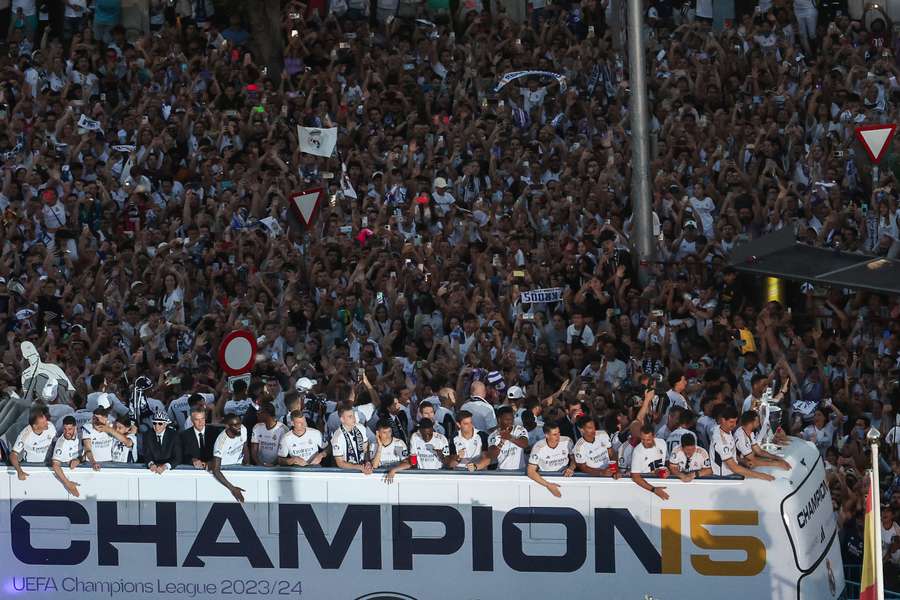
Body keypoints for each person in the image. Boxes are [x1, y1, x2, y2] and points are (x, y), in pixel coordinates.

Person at [710, 406, 775, 481]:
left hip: (733, 473)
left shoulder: (726, 429)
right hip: (725, 478)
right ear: (723, 420)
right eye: (731, 422)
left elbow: (731, 453)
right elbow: (734, 467)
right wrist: (760, 475)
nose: (734, 425)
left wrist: (743, 461)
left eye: (735, 421)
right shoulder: (720, 440)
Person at [385, 418, 450, 482]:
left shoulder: (442, 439)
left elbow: (448, 463)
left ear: (432, 430)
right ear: (420, 431)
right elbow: (413, 461)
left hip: (437, 475)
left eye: (429, 434)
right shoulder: (415, 437)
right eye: (424, 435)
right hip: (420, 474)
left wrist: (441, 455)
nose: (427, 438)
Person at [526, 423, 575, 498]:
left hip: (565, 478)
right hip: (545, 480)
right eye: (555, 434)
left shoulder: (567, 441)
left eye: (559, 433)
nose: (558, 437)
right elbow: (530, 471)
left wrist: (571, 468)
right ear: (547, 435)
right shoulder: (538, 447)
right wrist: (548, 485)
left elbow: (574, 459)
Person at [10, 406, 57, 480]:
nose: (47, 424)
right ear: (35, 426)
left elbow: (56, 445)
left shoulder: (51, 427)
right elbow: (13, 455)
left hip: (48, 466)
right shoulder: (25, 435)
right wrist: (19, 471)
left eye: (46, 420)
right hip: (31, 468)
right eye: (43, 423)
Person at [210, 414, 249, 502]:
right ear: (227, 426)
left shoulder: (243, 429)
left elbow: (245, 446)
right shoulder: (221, 442)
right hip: (226, 470)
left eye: (239, 423)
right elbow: (215, 470)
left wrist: (247, 464)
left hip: (239, 467)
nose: (239, 427)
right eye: (235, 425)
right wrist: (232, 489)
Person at [630, 424, 671, 500]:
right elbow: (635, 477)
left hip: (662, 483)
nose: (645, 443)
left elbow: (667, 462)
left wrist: (668, 470)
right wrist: (654, 490)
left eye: (648, 440)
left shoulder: (662, 443)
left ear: (654, 436)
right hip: (645, 487)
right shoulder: (637, 451)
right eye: (643, 439)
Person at [331, 404, 372, 474]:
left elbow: (366, 449)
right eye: (350, 417)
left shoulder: (361, 428)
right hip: (347, 473)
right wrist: (360, 467)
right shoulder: (337, 437)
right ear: (342, 419)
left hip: (363, 469)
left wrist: (367, 462)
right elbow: (340, 463)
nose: (354, 418)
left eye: (353, 415)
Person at [487, 406, 529, 471]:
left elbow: (525, 444)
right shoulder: (493, 435)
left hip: (520, 470)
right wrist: (502, 441)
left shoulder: (520, 430)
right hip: (502, 471)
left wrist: (510, 437)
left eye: (512, 419)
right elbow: (492, 455)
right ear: (499, 420)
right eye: (507, 420)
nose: (510, 422)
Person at [50, 415, 82, 496]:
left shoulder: (81, 436)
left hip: (82, 475)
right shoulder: (60, 443)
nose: (67, 432)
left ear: (75, 427)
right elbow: (55, 465)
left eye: (70, 429)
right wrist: (68, 484)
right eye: (65, 429)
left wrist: (78, 460)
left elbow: (85, 453)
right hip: (66, 479)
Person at [249, 403, 287, 467]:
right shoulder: (257, 427)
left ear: (267, 414)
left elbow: (283, 453)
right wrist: (260, 464)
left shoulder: (283, 429)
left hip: (277, 467)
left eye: (259, 413)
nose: (257, 415)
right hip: (260, 466)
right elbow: (254, 450)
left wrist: (272, 465)